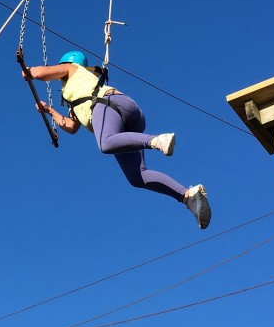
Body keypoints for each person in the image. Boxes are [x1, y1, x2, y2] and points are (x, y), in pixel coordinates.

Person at [25, 50, 211, 229]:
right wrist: (49, 111)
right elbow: (72, 127)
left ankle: (156, 140)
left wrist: (29, 71)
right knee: (137, 177)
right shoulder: (76, 94)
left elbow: (41, 72)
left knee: (105, 143)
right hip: (128, 115)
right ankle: (188, 197)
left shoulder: (73, 69)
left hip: (109, 105)